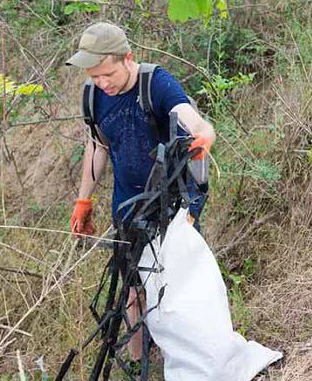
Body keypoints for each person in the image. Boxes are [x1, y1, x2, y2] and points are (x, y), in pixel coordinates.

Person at [66, 22, 216, 361]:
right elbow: (98, 146)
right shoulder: (94, 96)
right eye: (94, 76)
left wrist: (204, 134)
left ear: (127, 58)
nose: (102, 83)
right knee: (133, 286)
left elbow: (187, 116)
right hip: (127, 203)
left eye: (107, 74)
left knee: (179, 282)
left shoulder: (155, 83)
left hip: (171, 202)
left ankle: (187, 357)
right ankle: (139, 362)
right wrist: (83, 200)